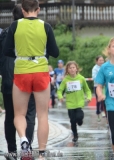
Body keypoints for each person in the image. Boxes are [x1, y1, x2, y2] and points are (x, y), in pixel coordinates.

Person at [2, 0, 59, 158]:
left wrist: (21, 54)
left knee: (19, 114)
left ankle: (23, 139)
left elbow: (7, 50)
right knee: (42, 115)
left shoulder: (15, 26)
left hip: (21, 71)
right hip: (40, 70)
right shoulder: (45, 26)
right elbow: (55, 52)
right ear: (38, 9)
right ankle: (41, 153)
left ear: (23, 9)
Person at [0, 4, 36, 160]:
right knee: (29, 114)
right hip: (28, 79)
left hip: (9, 80)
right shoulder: (33, 33)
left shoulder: (4, 35)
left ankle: (12, 150)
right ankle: (26, 147)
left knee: (10, 115)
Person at [57, 61, 91, 142]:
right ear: (67, 70)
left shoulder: (81, 79)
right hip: (70, 104)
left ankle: (80, 121)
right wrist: (60, 97)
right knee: (72, 121)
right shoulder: (65, 80)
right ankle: (75, 135)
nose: (72, 69)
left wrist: (89, 97)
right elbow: (59, 90)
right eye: (70, 68)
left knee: (79, 117)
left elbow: (87, 90)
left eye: (73, 68)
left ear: (76, 69)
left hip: (79, 103)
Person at [92, 55, 105, 121]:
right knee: (99, 100)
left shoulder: (105, 67)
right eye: (100, 60)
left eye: (102, 60)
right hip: (97, 86)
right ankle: (98, 113)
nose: (101, 62)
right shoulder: (95, 68)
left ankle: (103, 111)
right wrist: (101, 81)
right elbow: (94, 77)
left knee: (104, 99)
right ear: (96, 61)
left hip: (104, 86)